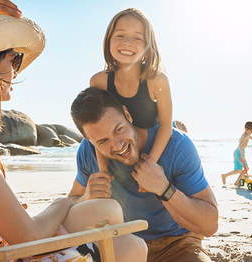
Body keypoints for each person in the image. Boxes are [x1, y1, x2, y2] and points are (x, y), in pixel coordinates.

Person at [0, 9, 146, 262]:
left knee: (108, 209)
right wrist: (62, 203)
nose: (15, 71)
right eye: (14, 60)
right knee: (131, 247)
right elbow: (29, 238)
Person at [69, 87, 218, 262]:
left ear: (127, 114)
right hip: (121, 244)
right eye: (102, 141)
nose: (117, 145)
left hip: (176, 244)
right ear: (90, 141)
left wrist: (164, 189)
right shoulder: (87, 152)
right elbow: (71, 201)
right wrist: (86, 197)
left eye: (118, 129)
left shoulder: (178, 145)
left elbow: (210, 226)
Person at [90, 8, 187, 184]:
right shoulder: (99, 82)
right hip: (125, 137)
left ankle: (178, 124)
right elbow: (98, 129)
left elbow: (165, 126)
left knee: (173, 127)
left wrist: (150, 166)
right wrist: (103, 172)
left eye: (137, 38)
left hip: (154, 128)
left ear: (148, 46)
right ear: (108, 41)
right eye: (120, 35)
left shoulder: (157, 80)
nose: (127, 42)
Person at [221, 121, 252, 186]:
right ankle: (237, 182)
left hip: (237, 152)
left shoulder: (247, 135)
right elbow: (240, 145)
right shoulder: (245, 136)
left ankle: (225, 175)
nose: (251, 133)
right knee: (246, 168)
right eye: (250, 131)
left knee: (239, 170)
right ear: (246, 129)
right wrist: (242, 154)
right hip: (239, 152)